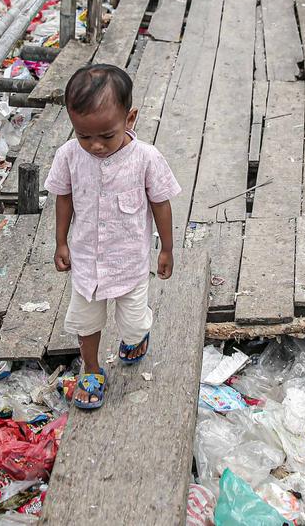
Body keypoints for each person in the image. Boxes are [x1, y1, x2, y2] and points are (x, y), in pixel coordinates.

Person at [44, 64, 180, 409]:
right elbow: (64, 198)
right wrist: (61, 241)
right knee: (86, 322)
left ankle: (137, 338)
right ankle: (91, 369)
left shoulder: (146, 159)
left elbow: (160, 203)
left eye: (106, 135)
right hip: (87, 263)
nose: (96, 146)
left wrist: (166, 248)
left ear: (129, 119)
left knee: (133, 326)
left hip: (130, 265)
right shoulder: (69, 156)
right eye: (84, 136)